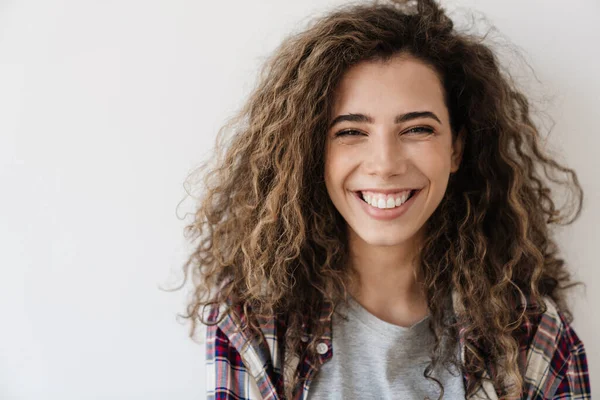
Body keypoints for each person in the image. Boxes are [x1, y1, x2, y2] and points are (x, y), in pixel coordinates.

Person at [178, 0, 590, 398]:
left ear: (456, 150)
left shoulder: (533, 336)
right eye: (351, 132)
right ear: (311, 152)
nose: (385, 164)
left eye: (417, 129)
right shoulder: (256, 321)